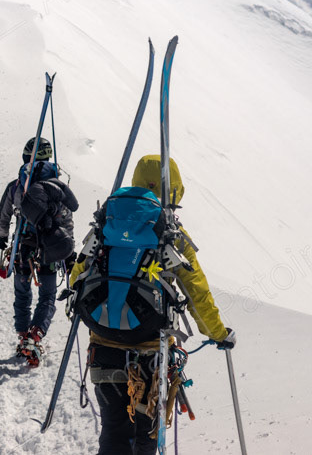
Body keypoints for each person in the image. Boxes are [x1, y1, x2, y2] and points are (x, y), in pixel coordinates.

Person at [70, 155, 237, 455]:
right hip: (150, 356)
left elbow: (76, 277)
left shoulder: (104, 224)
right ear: (173, 190)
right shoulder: (170, 234)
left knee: (113, 433)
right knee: (145, 438)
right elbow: (196, 291)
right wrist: (218, 333)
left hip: (103, 348)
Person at [0, 137, 79, 365]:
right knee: (48, 297)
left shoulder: (16, 187)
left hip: (23, 248)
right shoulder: (58, 188)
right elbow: (66, 221)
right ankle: (36, 335)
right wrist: (69, 252)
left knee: (22, 295)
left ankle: (23, 337)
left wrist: (1, 237)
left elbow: (4, 215)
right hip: (50, 251)